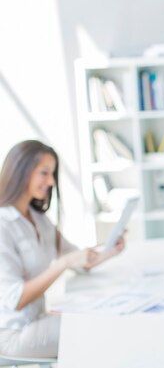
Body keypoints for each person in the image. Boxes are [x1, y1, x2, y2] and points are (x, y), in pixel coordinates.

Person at [0, 140, 126, 358]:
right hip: (12, 333)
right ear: (21, 171)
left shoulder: (38, 219)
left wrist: (109, 250)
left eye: (52, 174)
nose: (51, 181)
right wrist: (62, 264)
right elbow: (16, 299)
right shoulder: (3, 224)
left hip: (37, 320)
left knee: (99, 315)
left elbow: (75, 258)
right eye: (44, 173)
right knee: (94, 328)